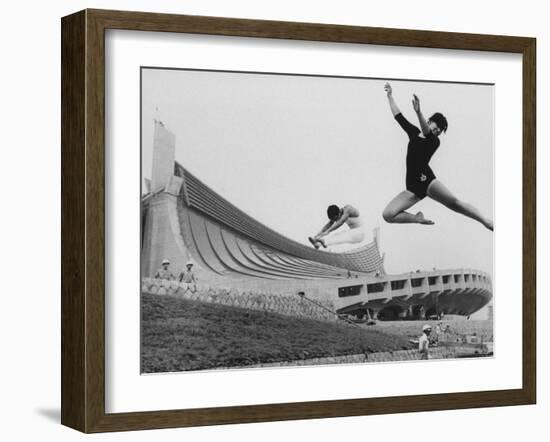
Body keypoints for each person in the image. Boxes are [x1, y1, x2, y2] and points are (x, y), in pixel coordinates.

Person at [382, 83, 493, 231]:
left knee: (455, 203)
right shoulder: (414, 133)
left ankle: (486, 221)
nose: (437, 130)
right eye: (436, 125)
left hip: (427, 181)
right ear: (429, 121)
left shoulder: (434, 141)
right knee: (388, 215)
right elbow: (398, 116)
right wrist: (390, 96)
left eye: (439, 130)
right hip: (412, 188)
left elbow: (427, 132)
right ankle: (417, 218)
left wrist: (418, 112)